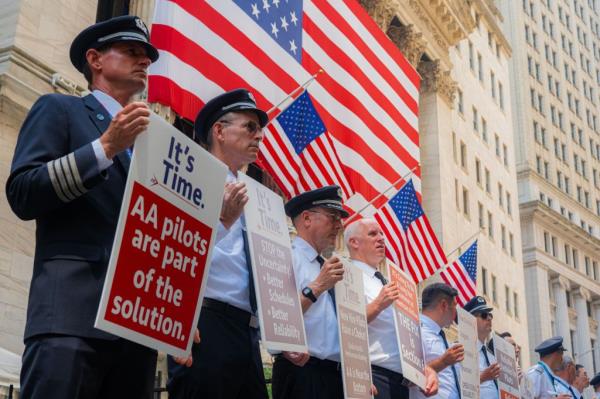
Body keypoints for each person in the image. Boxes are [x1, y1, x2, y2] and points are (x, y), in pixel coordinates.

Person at [5, 15, 165, 398]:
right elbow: (23, 192)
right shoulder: (59, 109)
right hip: (71, 319)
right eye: (131, 51)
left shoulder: (152, 146)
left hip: (136, 329)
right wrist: (105, 148)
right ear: (95, 59)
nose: (144, 60)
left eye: (146, 55)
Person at [167, 88, 269, 399]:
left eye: (260, 130)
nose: (259, 137)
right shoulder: (184, 174)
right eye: (250, 127)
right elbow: (171, 250)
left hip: (247, 333)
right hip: (204, 323)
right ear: (220, 131)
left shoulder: (255, 197)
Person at [344, 218, 438, 398]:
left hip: (401, 383)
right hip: (373, 378)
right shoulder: (347, 274)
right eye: (373, 234)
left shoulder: (385, 283)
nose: (381, 238)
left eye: (381, 234)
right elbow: (344, 325)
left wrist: (423, 369)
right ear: (354, 242)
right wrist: (378, 304)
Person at [271, 186, 348, 399]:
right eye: (333, 217)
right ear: (307, 218)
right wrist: (317, 286)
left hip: (336, 377)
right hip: (302, 373)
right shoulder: (284, 256)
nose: (339, 226)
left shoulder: (327, 266)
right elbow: (275, 315)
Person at [410, 283, 464, 399]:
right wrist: (443, 362)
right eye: (454, 306)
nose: (456, 313)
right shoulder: (414, 329)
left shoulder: (443, 338)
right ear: (444, 305)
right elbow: (407, 374)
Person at [464, 296, 500, 398]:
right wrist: (483, 377)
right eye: (484, 315)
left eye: (490, 315)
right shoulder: (460, 351)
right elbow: (459, 385)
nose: (489, 318)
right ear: (470, 320)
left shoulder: (492, 356)